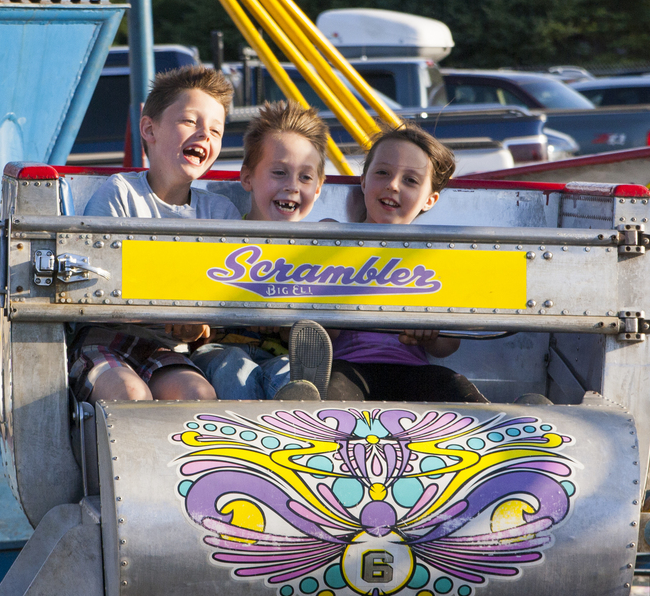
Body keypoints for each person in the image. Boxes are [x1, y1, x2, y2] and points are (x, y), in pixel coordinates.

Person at [279, 123, 489, 403]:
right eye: (382, 173)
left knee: (454, 386)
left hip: (412, 370)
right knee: (329, 393)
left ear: (430, 199)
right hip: (346, 368)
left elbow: (448, 345)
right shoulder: (333, 240)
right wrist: (331, 315)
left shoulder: (432, 256)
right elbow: (307, 327)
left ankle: (516, 425)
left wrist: (429, 333)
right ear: (364, 181)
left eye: (410, 181)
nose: (393, 185)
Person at [69, 65, 239, 404]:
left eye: (216, 131)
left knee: (198, 395)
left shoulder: (220, 214)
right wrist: (170, 312)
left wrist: (202, 324)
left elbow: (227, 295)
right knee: (130, 395)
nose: (204, 135)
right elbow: (97, 284)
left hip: (163, 346)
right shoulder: (120, 194)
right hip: (105, 337)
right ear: (149, 128)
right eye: (190, 121)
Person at [191, 101, 329, 399]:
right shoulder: (223, 236)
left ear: (318, 188)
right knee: (235, 367)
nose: (292, 186)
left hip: (280, 353)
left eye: (305, 177)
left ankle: (298, 418)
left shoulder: (316, 252)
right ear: (247, 178)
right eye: (279, 172)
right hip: (219, 349)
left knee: (288, 373)